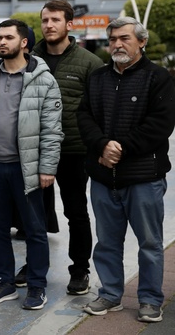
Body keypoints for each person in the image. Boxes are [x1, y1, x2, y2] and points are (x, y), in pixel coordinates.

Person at [78, 16, 175, 323]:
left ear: (142, 42)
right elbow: (84, 117)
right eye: (113, 39)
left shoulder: (158, 77)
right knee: (106, 242)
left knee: (149, 243)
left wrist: (120, 149)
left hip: (144, 178)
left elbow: (160, 125)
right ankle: (109, 294)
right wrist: (102, 145)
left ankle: (149, 299)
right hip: (104, 178)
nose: (117, 44)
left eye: (124, 38)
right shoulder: (98, 77)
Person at [0, 19, 62, 310]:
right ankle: (5, 282)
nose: (1, 42)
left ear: (24, 42)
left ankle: (36, 286)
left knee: (35, 230)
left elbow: (52, 129)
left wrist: (47, 167)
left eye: (8, 37)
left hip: (28, 168)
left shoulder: (43, 79)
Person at [27, 0, 103, 295]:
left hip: (73, 150)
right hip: (34, 149)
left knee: (76, 211)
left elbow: (99, 109)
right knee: (33, 214)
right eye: (45, 20)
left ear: (69, 24)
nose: (48, 25)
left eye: (55, 20)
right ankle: (34, 266)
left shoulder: (89, 62)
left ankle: (80, 269)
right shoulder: (29, 58)